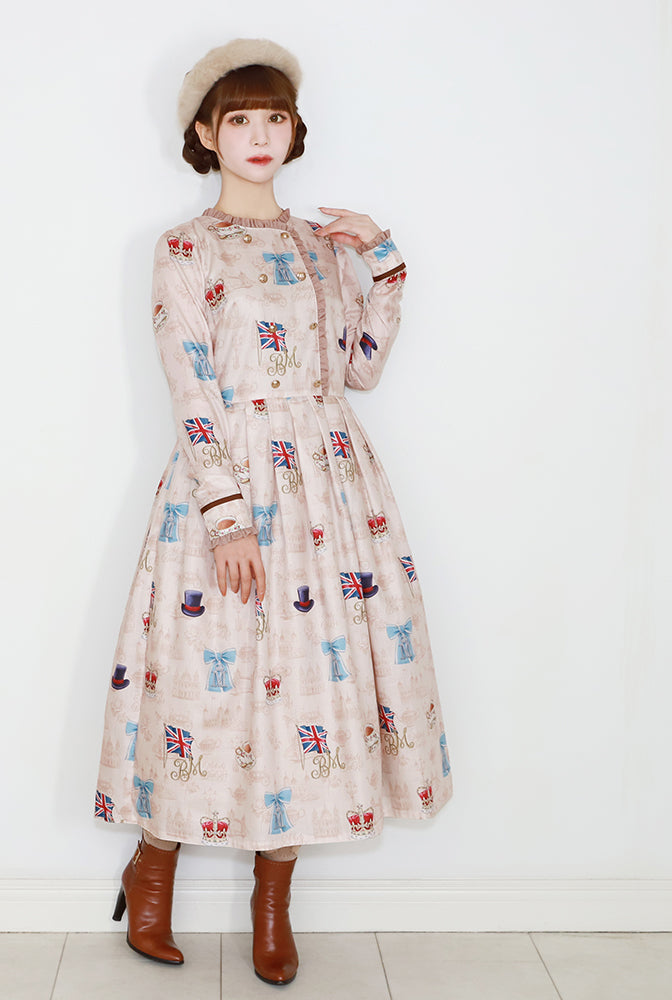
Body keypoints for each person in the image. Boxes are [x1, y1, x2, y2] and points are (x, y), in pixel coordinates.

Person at [95, 37, 454, 985]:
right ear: (207, 135)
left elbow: (359, 371)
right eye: (240, 119)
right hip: (225, 481)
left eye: (276, 118)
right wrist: (226, 516)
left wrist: (382, 264)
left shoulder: (321, 246)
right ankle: (152, 871)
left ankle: (272, 905)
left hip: (330, 489)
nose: (260, 134)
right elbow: (190, 384)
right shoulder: (184, 248)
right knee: (199, 681)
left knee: (307, 691)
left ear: (295, 133)